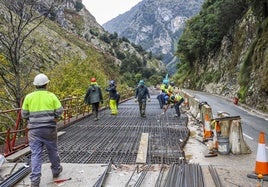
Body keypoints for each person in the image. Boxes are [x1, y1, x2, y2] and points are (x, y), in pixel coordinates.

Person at [21, 73, 63, 187]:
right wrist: (54, 118)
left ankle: (35, 180)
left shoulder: (28, 97)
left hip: (34, 130)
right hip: (49, 129)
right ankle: (56, 170)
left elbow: (24, 114)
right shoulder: (51, 96)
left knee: (36, 154)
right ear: (46, 84)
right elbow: (60, 111)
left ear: (35, 85)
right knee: (52, 151)